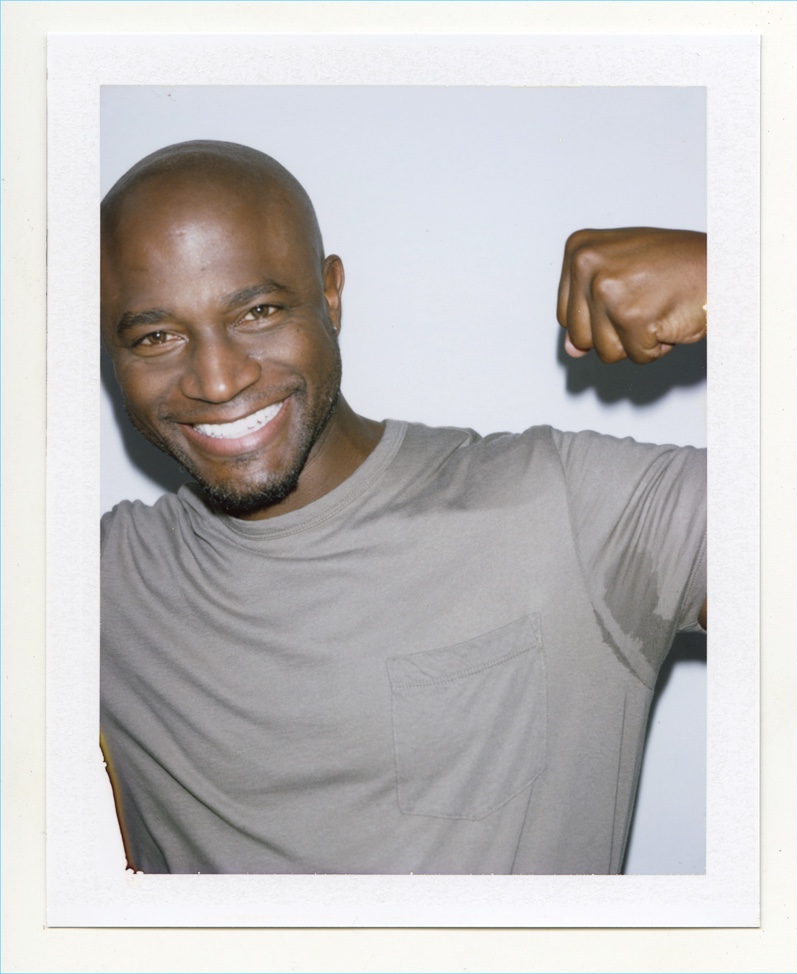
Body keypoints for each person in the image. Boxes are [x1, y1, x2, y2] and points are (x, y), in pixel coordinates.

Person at [100, 140, 707, 875]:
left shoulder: (568, 509)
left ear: (330, 296)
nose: (218, 378)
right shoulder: (96, 588)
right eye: (157, 336)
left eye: (258, 311)